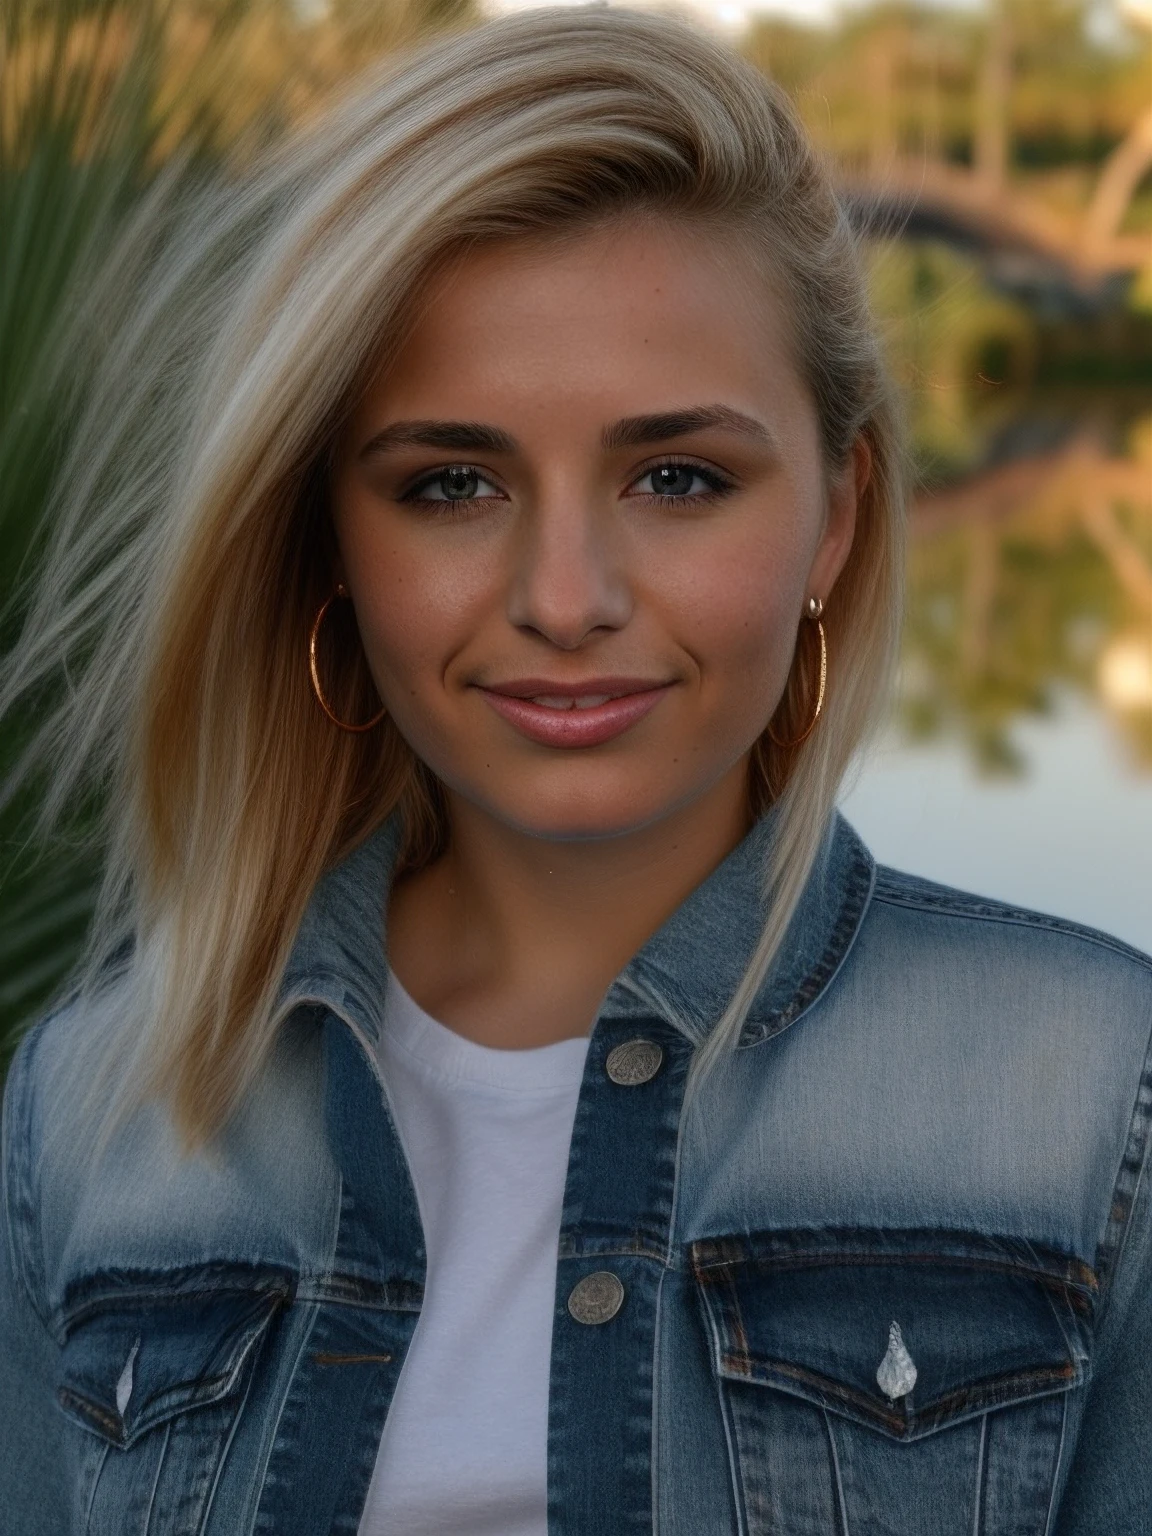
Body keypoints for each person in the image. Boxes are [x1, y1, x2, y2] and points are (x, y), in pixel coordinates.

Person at [1, 7, 1150, 1533]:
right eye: (451, 483)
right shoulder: (93, 1116)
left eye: (677, 478)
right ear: (327, 540)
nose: (564, 594)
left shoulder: (1092, 1091)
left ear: (836, 518)